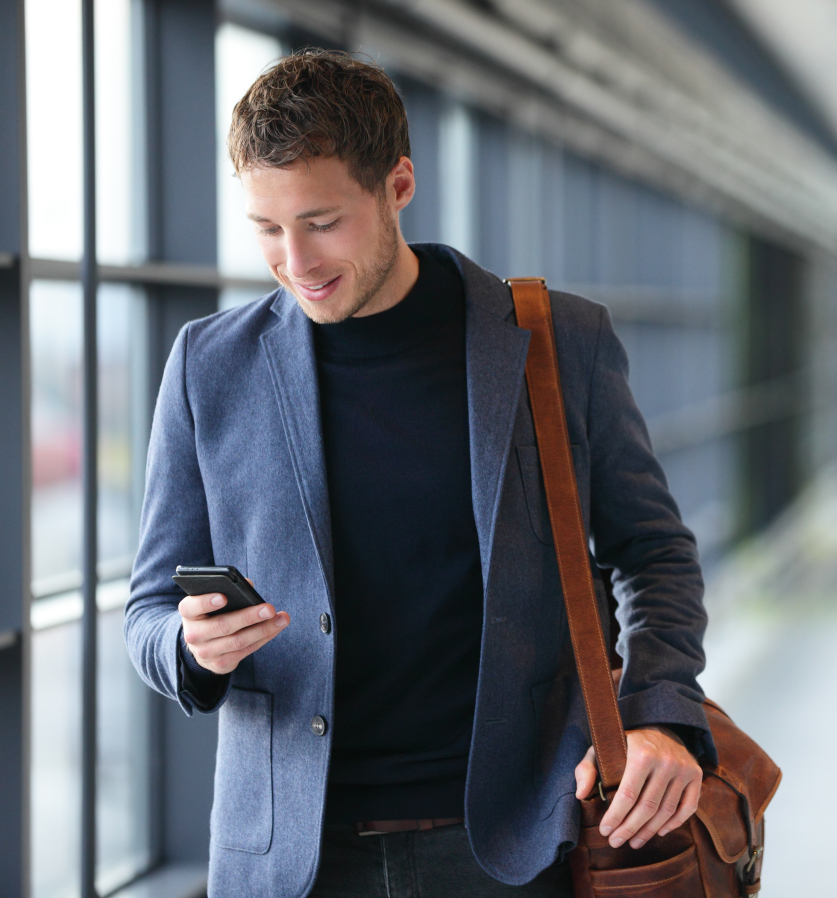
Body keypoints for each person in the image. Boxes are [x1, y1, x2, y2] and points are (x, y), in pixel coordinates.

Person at [124, 49, 712, 898]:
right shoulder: (208, 366)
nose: (295, 261)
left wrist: (661, 711)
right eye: (266, 228)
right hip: (292, 861)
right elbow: (146, 612)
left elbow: (653, 552)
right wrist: (189, 646)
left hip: (511, 847)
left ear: (398, 185)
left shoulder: (553, 343)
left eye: (322, 221)